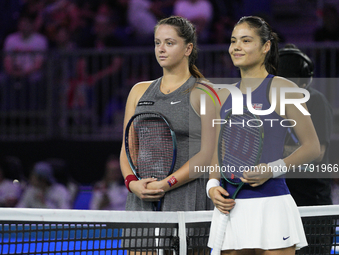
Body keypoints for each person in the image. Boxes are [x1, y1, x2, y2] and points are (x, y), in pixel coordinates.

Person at [207, 16, 320, 254]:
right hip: (230, 206)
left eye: (246, 40)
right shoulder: (224, 96)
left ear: (266, 46)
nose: (236, 47)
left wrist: (271, 169)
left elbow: (312, 147)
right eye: (233, 41)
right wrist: (212, 186)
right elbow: (219, 151)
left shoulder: (285, 88)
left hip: (272, 204)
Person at [120, 16, 216, 212]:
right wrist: (132, 183)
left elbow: (207, 154)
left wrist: (166, 184)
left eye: (169, 43)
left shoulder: (205, 92)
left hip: (187, 199)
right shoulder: (138, 91)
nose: (161, 49)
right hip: (141, 198)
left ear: (188, 49)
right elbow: (127, 147)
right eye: (157, 43)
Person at [278, 44, 334, 254]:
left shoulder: (316, 101)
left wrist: (275, 151)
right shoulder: (272, 105)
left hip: (313, 202)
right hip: (284, 201)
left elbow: (317, 153)